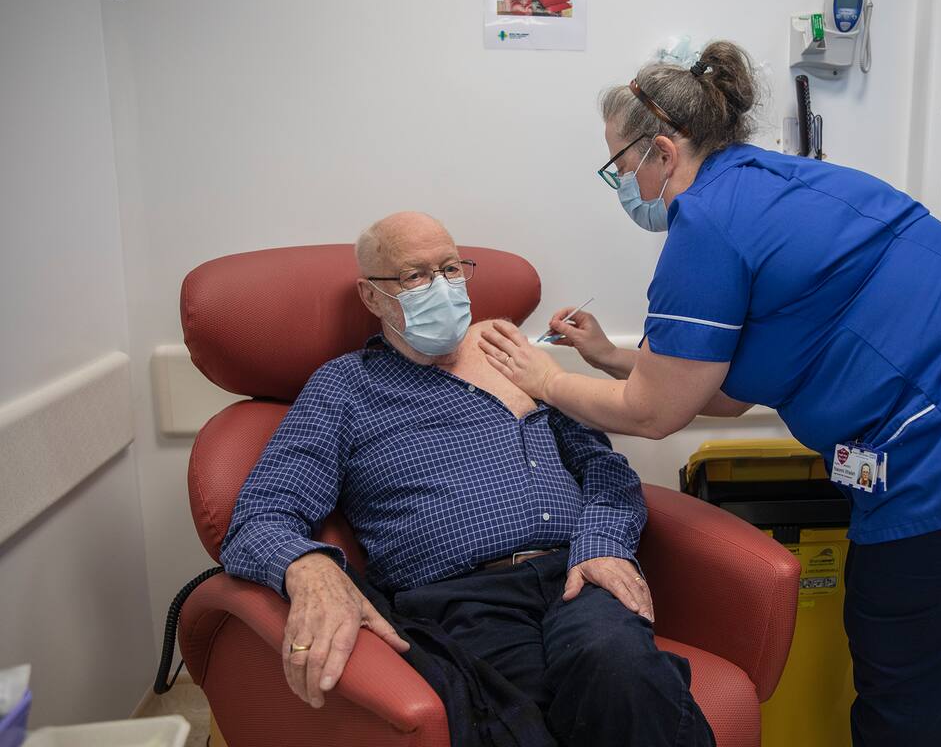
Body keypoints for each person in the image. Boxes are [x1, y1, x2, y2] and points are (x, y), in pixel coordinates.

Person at [480, 41, 941, 746]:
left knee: (901, 660)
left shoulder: (707, 228)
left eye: (620, 166)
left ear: (662, 150)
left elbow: (657, 414)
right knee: (939, 650)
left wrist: (546, 381)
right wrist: (607, 357)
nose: (622, 182)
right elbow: (715, 392)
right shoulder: (779, 180)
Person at [221, 212, 714, 747]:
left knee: (619, 667)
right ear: (371, 297)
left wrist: (601, 544)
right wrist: (307, 567)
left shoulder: (513, 362)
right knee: (518, 720)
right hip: (462, 599)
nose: (442, 288)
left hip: (576, 571)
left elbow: (604, 467)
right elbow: (261, 515)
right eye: (415, 276)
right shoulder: (344, 389)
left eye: (452, 269)